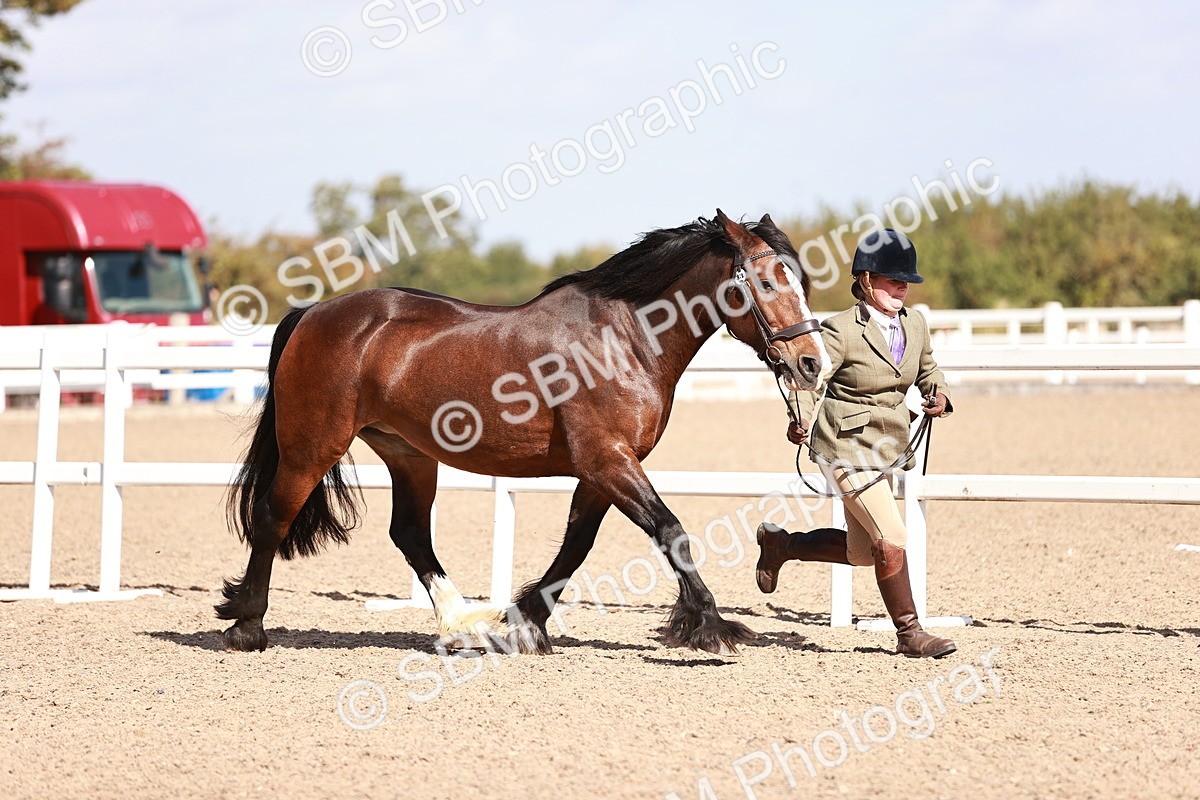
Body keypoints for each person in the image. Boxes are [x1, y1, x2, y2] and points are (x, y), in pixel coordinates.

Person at [755, 228, 956, 658]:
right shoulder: (842, 329)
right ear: (866, 280)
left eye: (906, 280)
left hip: (887, 446)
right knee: (892, 534)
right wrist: (802, 416)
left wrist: (938, 394)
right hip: (843, 446)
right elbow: (813, 377)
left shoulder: (914, 324)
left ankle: (781, 546)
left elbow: (928, 370)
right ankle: (909, 634)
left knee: (862, 553)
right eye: (891, 279)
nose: (901, 287)